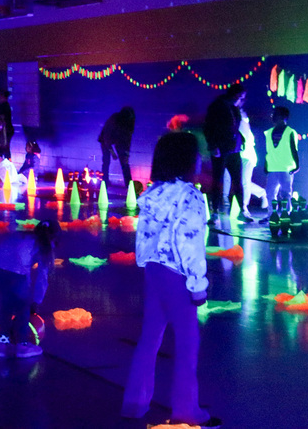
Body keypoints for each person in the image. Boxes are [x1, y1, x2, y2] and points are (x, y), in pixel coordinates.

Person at [122, 132, 219, 427]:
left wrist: (145, 262)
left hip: (153, 271)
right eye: (196, 156)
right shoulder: (190, 196)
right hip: (178, 276)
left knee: (150, 338)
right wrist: (198, 284)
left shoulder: (153, 194)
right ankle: (186, 409)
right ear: (187, 161)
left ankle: (135, 402)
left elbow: (145, 235)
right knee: (188, 342)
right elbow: (189, 242)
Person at [0, 220, 58, 358]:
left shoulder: (21, 236)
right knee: (23, 305)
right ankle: (22, 346)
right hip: (14, 272)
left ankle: (2, 344)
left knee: (7, 303)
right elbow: (41, 277)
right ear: (53, 237)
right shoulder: (44, 245)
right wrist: (36, 301)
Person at [204, 85, 246, 222]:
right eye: (240, 97)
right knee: (218, 180)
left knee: (237, 180)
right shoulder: (217, 107)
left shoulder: (234, 108)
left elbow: (233, 128)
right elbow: (208, 126)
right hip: (220, 148)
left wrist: (241, 139)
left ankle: (243, 210)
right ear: (234, 95)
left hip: (234, 149)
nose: (241, 100)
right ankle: (215, 212)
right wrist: (213, 144)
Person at [263, 106, 300, 212]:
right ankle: (271, 215)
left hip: (286, 168)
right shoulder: (269, 132)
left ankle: (286, 215)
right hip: (273, 168)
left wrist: (297, 165)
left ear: (283, 117)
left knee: (286, 193)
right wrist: (266, 164)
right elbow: (268, 151)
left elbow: (294, 149)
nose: (273, 116)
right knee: (270, 193)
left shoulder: (290, 132)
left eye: (276, 114)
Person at [99, 106, 136, 188]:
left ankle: (129, 185)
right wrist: (112, 153)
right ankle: (105, 183)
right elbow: (106, 138)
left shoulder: (130, 122)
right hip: (106, 139)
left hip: (119, 140)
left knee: (125, 163)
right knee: (106, 161)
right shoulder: (114, 119)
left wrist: (126, 154)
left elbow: (128, 140)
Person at [0, 89, 15, 158]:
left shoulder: (3, 106)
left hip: (4, 131)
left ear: (2, 96)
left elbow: (2, 119)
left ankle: (6, 164)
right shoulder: (4, 105)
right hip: (4, 130)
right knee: (3, 149)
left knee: (4, 148)